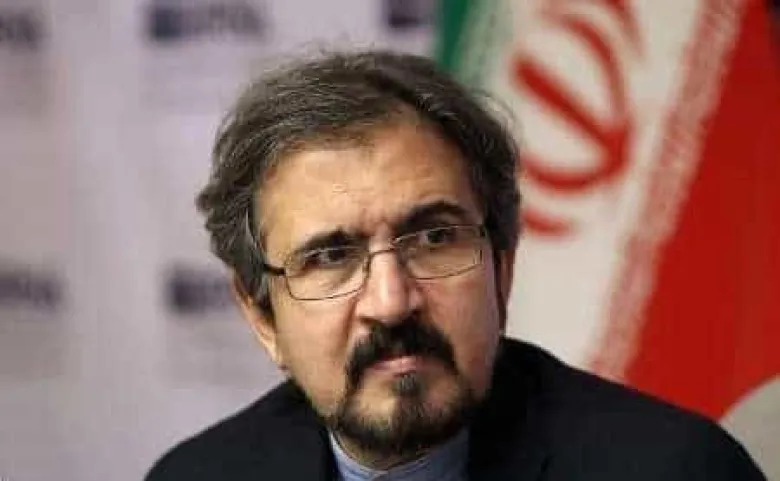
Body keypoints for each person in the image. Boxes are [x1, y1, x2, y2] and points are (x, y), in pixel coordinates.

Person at [145, 50, 766, 481]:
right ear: (262, 316)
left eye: (434, 238)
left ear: (503, 267)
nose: (391, 302)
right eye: (331, 256)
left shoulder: (674, 473)